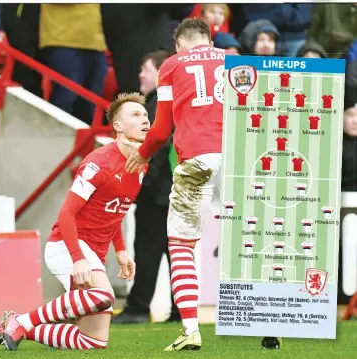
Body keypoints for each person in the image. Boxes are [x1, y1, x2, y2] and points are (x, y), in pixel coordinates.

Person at [0, 92, 149, 351]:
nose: (145, 120)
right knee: (105, 297)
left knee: (93, 341)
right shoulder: (99, 162)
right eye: (135, 115)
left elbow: (115, 212)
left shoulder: (140, 165)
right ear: (117, 126)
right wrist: (78, 257)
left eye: (145, 115)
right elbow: (66, 213)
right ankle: (21, 321)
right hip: (67, 246)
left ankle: (13, 327)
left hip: (94, 252)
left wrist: (122, 251)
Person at [124, 18, 224, 352]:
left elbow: (161, 126)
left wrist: (142, 154)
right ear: (209, 40)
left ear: (180, 43)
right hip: (237, 160)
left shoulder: (171, 65)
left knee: (181, 243)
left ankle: (191, 330)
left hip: (196, 159)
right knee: (250, 238)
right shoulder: (233, 60)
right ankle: (268, 326)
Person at [113, 51, 181, 325]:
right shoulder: (172, 102)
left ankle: (138, 308)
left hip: (158, 193)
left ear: (161, 74)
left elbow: (157, 146)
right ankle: (181, 310)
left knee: (148, 249)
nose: (141, 74)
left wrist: (140, 182)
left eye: (146, 69)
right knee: (176, 252)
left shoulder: (158, 105)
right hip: (175, 191)